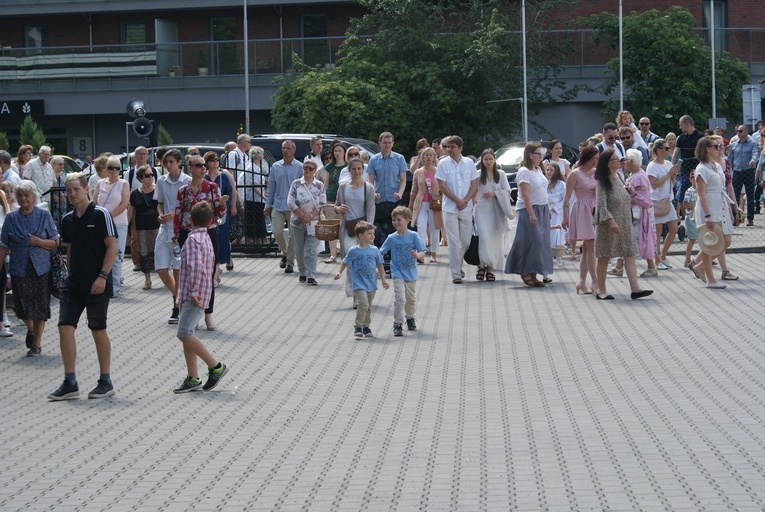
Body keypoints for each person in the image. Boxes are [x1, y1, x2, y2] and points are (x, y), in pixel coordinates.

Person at [48, 173, 117, 400]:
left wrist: (103, 276)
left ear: (86, 189)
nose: (72, 194)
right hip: (74, 283)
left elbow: (112, 247)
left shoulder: (100, 214)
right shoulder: (67, 219)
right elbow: (70, 248)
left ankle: (105, 381)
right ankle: (70, 382)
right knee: (64, 327)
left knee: (98, 329)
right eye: (68, 190)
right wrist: (69, 274)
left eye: (76, 189)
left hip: (98, 282)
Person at [171, 202, 230, 394]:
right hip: (200, 291)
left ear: (189, 220)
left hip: (193, 293)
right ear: (211, 222)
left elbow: (195, 268)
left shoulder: (192, 241)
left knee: (184, 333)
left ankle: (215, 366)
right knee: (188, 333)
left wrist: (193, 292)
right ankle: (193, 376)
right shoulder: (205, 238)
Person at [0, 180, 59, 356]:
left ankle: (36, 345)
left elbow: (55, 242)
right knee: (20, 307)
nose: (23, 198)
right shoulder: (11, 218)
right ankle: (31, 329)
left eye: (26, 195)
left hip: (41, 268)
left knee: (40, 306)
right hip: (19, 268)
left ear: (33, 196)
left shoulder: (43, 215)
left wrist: (39, 242)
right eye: (20, 196)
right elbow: (3, 244)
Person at [174, 155, 227, 331]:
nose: (203, 168)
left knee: (208, 275)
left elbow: (218, 214)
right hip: (187, 233)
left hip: (207, 233)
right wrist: (175, 235)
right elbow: (178, 213)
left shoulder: (212, 187)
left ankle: (208, 314)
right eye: (199, 165)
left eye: (204, 165)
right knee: (188, 273)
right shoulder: (183, 190)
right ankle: (190, 312)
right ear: (190, 167)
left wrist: (222, 205)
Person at [592, 150, 652, 301]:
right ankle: (601, 290)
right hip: (609, 224)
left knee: (629, 252)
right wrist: (610, 221)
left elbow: (622, 198)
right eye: (616, 159)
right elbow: (601, 205)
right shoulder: (602, 180)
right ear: (608, 163)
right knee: (604, 256)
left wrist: (630, 192)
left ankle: (635, 288)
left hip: (625, 222)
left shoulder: (618, 176)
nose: (620, 161)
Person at [505, 142, 552, 287]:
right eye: (538, 154)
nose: (540, 156)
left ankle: (534, 272)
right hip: (529, 209)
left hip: (542, 208)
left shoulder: (538, 170)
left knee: (541, 242)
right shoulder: (524, 171)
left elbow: (543, 190)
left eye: (540, 154)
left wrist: (547, 208)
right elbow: (525, 195)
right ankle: (525, 271)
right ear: (530, 155)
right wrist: (532, 214)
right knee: (533, 240)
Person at [691, 136, 735, 289]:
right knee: (710, 243)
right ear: (707, 149)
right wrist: (708, 215)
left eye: (719, 146)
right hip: (709, 206)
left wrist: (729, 208)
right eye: (715, 146)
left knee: (726, 240)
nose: (719, 148)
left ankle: (701, 267)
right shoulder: (701, 168)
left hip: (720, 204)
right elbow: (701, 194)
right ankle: (710, 279)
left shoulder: (715, 165)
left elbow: (723, 187)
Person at [334, 221, 389, 338]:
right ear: (360, 236)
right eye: (369, 233)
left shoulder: (375, 250)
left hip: (371, 283)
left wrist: (384, 280)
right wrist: (339, 272)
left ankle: (366, 326)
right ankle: (358, 326)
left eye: (373, 233)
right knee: (363, 303)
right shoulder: (354, 250)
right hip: (359, 282)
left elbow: (380, 265)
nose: (372, 236)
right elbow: (345, 261)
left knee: (368, 306)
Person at [155, 149, 191, 324]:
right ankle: (178, 297)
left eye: (171, 161)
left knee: (177, 270)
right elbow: (160, 203)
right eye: (165, 162)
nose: (168, 165)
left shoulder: (187, 181)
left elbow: (189, 206)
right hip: (164, 228)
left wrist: (175, 215)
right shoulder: (161, 181)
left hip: (179, 230)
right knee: (161, 269)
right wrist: (161, 214)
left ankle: (177, 307)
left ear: (178, 162)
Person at [436, 135, 479, 284]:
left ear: (460, 148)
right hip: (449, 207)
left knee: (466, 241)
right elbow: (442, 186)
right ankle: (456, 274)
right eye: (447, 147)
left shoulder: (469, 163)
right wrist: (457, 200)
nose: (449, 149)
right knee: (453, 241)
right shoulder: (443, 164)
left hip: (466, 208)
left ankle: (458, 264)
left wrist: (465, 200)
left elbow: (474, 185)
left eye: (452, 147)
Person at [334, 158, 376, 308]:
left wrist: (368, 231)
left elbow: (371, 210)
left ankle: (365, 292)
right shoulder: (343, 187)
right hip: (348, 229)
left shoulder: (368, 188)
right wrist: (339, 209)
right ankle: (355, 296)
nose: (357, 171)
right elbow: (336, 205)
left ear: (362, 171)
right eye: (354, 169)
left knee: (363, 262)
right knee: (351, 262)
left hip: (362, 230)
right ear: (349, 170)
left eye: (359, 169)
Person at [609, 148, 657, 277]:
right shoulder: (634, 175)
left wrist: (631, 194)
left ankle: (651, 267)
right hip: (633, 215)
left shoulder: (640, 176)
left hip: (639, 217)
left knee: (638, 240)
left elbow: (645, 201)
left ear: (631, 161)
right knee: (627, 239)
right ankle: (619, 266)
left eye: (625, 160)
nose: (623, 163)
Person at [380, 206, 426, 336]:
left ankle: (410, 318)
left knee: (410, 299)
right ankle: (398, 324)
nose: (395, 222)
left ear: (407, 220)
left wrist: (417, 256)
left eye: (399, 220)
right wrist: (376, 264)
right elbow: (381, 252)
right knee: (399, 298)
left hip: (411, 273)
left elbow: (423, 251)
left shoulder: (413, 236)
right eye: (393, 220)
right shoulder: (391, 238)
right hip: (397, 272)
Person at [562, 146, 598, 294]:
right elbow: (567, 197)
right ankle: (595, 281)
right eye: (594, 159)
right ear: (587, 158)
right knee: (590, 246)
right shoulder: (575, 174)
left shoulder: (596, 173)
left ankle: (582, 282)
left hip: (594, 208)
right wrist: (565, 217)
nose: (597, 161)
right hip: (582, 209)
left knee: (587, 249)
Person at [264, 140, 304, 274]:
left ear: (294, 150)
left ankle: (290, 263)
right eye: (283, 148)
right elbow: (271, 187)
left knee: (293, 235)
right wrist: (267, 204)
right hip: (278, 204)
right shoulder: (276, 166)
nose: (285, 150)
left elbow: (302, 188)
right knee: (276, 231)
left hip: (293, 207)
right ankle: (286, 253)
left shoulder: (299, 167)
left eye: (288, 148)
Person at [93, 156, 130, 297]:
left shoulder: (123, 183)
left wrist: (108, 216)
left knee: (116, 256)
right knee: (101, 254)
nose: (114, 171)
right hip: (102, 225)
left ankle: (114, 288)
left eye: (117, 168)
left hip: (118, 224)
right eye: (111, 168)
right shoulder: (100, 183)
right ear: (106, 169)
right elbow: (95, 201)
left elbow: (124, 204)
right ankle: (101, 284)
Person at [474, 149, 512, 281]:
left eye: (490, 159)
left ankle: (490, 268)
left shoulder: (500, 174)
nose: (488, 162)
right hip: (481, 209)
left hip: (496, 210)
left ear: (495, 159)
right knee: (484, 238)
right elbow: (473, 192)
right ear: (482, 161)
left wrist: (495, 193)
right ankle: (481, 266)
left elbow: (507, 191)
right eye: (486, 159)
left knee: (495, 239)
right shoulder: (478, 174)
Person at [287, 159, 326, 285]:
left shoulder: (319, 185)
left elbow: (322, 203)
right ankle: (302, 271)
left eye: (310, 168)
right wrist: (302, 215)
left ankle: (311, 276)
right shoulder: (296, 184)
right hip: (297, 222)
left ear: (315, 171)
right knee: (299, 251)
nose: (307, 170)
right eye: (305, 168)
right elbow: (290, 201)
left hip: (313, 223)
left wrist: (310, 215)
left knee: (311, 250)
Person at [367, 132, 408, 243]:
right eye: (385, 143)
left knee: (395, 225)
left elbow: (403, 180)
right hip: (379, 199)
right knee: (378, 226)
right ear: (379, 143)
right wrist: (373, 193)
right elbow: (370, 180)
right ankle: (381, 250)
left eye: (389, 143)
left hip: (394, 198)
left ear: (393, 143)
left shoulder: (399, 158)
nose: (387, 145)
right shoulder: (373, 160)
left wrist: (400, 193)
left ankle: (393, 251)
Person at [647, 142, 680, 270]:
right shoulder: (652, 166)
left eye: (669, 148)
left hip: (667, 200)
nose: (668, 150)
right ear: (658, 150)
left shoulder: (668, 164)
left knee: (674, 228)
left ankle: (663, 255)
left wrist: (673, 175)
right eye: (666, 148)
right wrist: (668, 174)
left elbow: (672, 182)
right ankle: (656, 260)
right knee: (658, 232)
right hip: (656, 201)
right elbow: (654, 185)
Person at [409, 147, 443, 263]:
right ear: (422, 157)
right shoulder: (418, 172)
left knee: (434, 228)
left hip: (434, 204)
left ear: (434, 157)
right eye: (426, 155)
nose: (428, 157)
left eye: (430, 155)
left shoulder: (438, 171)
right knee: (421, 228)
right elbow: (414, 190)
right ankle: (421, 253)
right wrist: (410, 206)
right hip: (421, 204)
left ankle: (433, 254)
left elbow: (443, 187)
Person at [128, 165, 159, 290]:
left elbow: (161, 206)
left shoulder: (158, 189)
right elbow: (130, 211)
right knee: (144, 252)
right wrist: (125, 225)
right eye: (147, 175)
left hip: (156, 226)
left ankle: (164, 276)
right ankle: (148, 280)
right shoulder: (135, 194)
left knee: (158, 252)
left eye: (152, 175)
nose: (150, 177)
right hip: (141, 227)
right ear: (140, 178)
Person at [205, 152, 237, 273]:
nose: (215, 161)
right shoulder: (204, 177)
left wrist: (231, 205)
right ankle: (214, 263)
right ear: (207, 162)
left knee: (222, 236)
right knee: (210, 236)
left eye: (217, 159)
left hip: (222, 212)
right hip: (207, 213)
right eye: (212, 160)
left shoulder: (223, 176)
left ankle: (223, 260)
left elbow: (230, 191)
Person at [320, 142, 347, 263]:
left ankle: (344, 254)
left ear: (344, 152)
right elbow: (325, 184)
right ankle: (333, 255)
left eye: (340, 151)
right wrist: (322, 200)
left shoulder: (348, 166)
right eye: (335, 151)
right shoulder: (329, 167)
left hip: (344, 200)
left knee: (343, 227)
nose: (337, 153)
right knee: (331, 227)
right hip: (330, 198)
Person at [125, 146, 150, 271]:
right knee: (135, 235)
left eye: (144, 154)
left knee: (152, 234)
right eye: (139, 154)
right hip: (135, 206)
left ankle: (152, 260)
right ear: (135, 156)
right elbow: (125, 191)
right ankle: (137, 262)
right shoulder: (129, 174)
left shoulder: (155, 171)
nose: (142, 156)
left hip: (151, 208)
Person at [728, 124, 759, 226]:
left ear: (746, 132)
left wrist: (753, 161)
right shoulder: (734, 144)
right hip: (737, 172)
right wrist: (729, 170)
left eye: (740, 131)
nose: (738, 133)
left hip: (748, 171)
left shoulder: (752, 143)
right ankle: (735, 218)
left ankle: (750, 218)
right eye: (737, 131)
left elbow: (755, 154)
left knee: (750, 196)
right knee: (735, 195)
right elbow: (730, 158)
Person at [238, 146, 267, 246]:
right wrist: (264, 197)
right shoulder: (252, 168)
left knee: (257, 220)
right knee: (255, 220)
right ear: (258, 156)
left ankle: (257, 242)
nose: (263, 156)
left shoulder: (256, 167)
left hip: (257, 198)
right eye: (261, 154)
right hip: (253, 199)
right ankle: (255, 242)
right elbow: (254, 185)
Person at [672, 115, 703, 204]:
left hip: (697, 170)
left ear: (687, 124)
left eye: (681, 125)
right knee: (682, 195)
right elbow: (675, 153)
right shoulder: (681, 138)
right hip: (685, 170)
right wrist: (673, 166)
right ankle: (685, 216)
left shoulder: (700, 136)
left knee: (697, 194)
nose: (680, 127)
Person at [545, 162, 566, 269]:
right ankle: (547, 257)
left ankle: (559, 257)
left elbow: (565, 199)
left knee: (557, 233)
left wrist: (555, 207)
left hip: (557, 212)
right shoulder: (544, 182)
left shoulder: (561, 184)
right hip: (546, 211)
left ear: (556, 171)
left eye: (551, 170)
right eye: (547, 170)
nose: (548, 172)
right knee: (547, 233)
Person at [682, 171, 698, 269]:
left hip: (700, 218)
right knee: (692, 239)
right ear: (690, 179)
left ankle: (706, 258)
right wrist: (696, 206)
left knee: (704, 239)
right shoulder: (689, 191)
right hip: (691, 218)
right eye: (694, 178)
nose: (696, 181)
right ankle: (687, 259)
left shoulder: (702, 190)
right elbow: (685, 205)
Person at [49, 156, 68, 225]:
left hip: (64, 203)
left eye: (63, 164)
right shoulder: (50, 174)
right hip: (54, 203)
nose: (62, 166)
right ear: (53, 165)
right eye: (60, 164)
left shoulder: (64, 174)